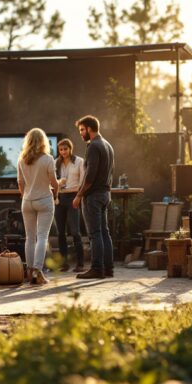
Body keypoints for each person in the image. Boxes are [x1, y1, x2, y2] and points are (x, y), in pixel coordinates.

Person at [73, 115, 115, 280]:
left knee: (95, 233)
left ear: (89, 129)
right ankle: (108, 269)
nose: (81, 134)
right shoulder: (108, 145)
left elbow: (90, 177)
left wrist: (78, 195)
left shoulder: (93, 146)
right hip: (105, 194)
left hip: (93, 196)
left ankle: (97, 269)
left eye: (82, 130)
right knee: (104, 232)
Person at [17, 128, 59, 285]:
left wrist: (24, 195)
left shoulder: (21, 159)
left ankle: (29, 272)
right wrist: (56, 193)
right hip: (44, 199)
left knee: (29, 238)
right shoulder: (48, 159)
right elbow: (54, 182)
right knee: (42, 237)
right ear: (43, 142)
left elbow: (20, 183)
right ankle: (38, 272)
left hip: (27, 201)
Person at [54, 138, 85, 272]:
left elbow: (83, 181)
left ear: (70, 149)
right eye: (61, 149)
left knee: (75, 232)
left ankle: (80, 263)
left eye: (65, 149)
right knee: (60, 232)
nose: (63, 152)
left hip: (73, 196)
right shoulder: (56, 162)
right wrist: (58, 183)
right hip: (59, 198)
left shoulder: (79, 161)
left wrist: (79, 197)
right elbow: (52, 181)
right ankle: (64, 263)